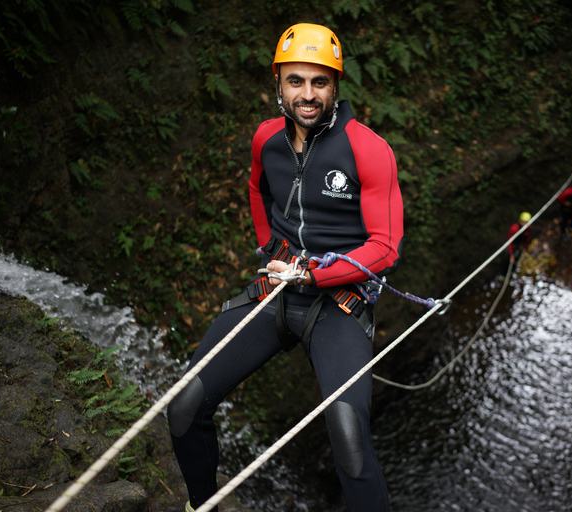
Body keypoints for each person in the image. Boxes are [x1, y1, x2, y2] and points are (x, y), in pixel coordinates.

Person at [167, 23, 402, 512]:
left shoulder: (367, 149)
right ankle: (202, 506)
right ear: (278, 83)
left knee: (348, 434)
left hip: (338, 303)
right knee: (186, 405)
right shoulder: (266, 140)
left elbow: (384, 248)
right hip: (276, 289)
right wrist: (270, 249)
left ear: (336, 86)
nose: (307, 94)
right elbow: (258, 190)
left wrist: (314, 275)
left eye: (319, 82)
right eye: (296, 81)